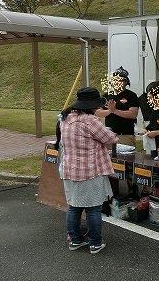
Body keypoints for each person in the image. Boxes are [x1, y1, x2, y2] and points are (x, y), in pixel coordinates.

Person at [57, 87, 118, 254]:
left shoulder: (65, 117)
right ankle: (95, 243)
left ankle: (75, 240)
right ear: (92, 105)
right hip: (90, 171)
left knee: (73, 207)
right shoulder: (90, 121)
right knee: (93, 208)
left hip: (69, 169)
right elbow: (110, 138)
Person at [96, 66, 139, 146]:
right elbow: (98, 112)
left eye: (120, 80)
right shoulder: (107, 95)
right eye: (114, 80)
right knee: (110, 157)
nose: (117, 82)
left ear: (126, 82)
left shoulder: (131, 95)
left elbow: (133, 114)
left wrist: (115, 111)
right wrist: (109, 111)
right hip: (109, 134)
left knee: (126, 157)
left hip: (126, 134)